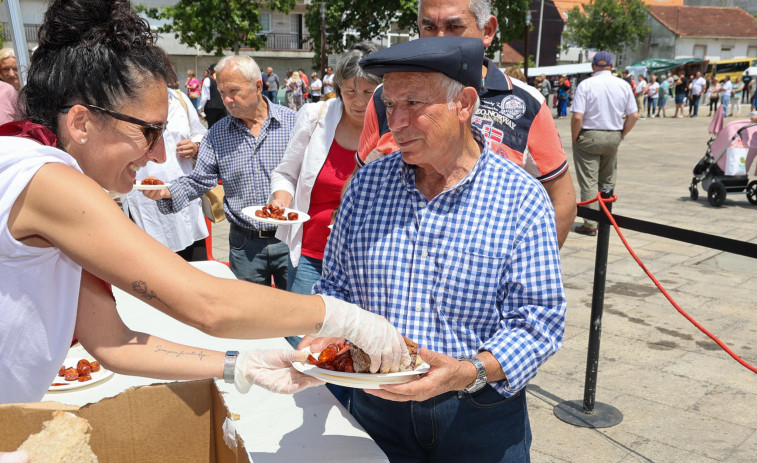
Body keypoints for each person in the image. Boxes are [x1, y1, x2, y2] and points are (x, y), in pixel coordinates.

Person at [0, 0, 408, 406]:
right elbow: (207, 304)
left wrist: (239, 364)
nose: (160, 155)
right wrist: (345, 317)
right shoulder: (46, 178)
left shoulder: (39, 171)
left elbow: (114, 343)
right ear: (80, 123)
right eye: (148, 132)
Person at [308, 36, 566, 462]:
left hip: (479, 416)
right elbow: (337, 286)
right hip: (378, 408)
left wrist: (468, 372)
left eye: (414, 103)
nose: (397, 123)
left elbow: (539, 322)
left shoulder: (520, 197)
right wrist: (317, 340)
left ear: (464, 104)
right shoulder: (368, 186)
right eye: (390, 105)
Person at [352, 0, 577, 248]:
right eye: (428, 27)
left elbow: (562, 200)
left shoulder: (525, 103)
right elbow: (359, 181)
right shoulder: (387, 97)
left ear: (488, 30)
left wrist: (528, 264)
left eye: (453, 26)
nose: (439, 38)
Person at [147, 56, 293, 289]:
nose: (226, 100)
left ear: (257, 86)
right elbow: (201, 180)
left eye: (233, 91)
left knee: (298, 316)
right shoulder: (217, 134)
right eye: (222, 91)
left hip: (291, 239)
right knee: (249, 316)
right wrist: (167, 192)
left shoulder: (293, 124)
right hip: (246, 245)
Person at [269, 42, 381, 298]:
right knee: (301, 334)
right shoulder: (315, 116)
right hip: (312, 252)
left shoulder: (391, 128)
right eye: (350, 91)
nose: (359, 101)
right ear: (339, 87)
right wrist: (281, 200)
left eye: (369, 91)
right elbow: (286, 173)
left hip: (365, 258)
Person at [121, 64, 209, 261]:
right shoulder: (125, 104)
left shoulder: (179, 99)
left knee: (193, 267)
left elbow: (200, 133)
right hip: (146, 200)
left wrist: (195, 146)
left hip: (183, 195)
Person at [570, 51, 639, 236]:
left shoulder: (586, 85)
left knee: (589, 182)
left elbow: (577, 116)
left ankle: (591, 224)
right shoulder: (623, 85)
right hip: (613, 135)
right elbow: (634, 115)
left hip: (589, 135)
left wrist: (574, 137)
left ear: (593, 66)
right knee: (608, 180)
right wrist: (622, 134)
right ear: (611, 65)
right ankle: (606, 219)